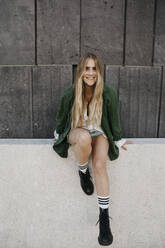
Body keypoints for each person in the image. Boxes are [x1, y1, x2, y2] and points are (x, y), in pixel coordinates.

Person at [53, 53, 132, 246]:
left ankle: (104, 218)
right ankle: (82, 171)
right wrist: (58, 136)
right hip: (77, 132)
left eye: (94, 68)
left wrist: (119, 140)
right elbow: (61, 119)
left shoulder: (108, 92)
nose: (90, 73)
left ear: (99, 71)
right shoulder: (69, 93)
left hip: (99, 132)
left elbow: (113, 119)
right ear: (80, 71)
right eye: (86, 68)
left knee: (99, 165)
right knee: (83, 137)